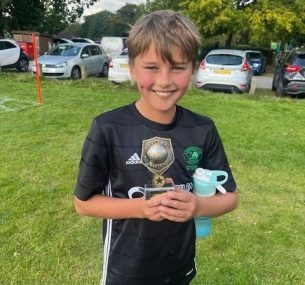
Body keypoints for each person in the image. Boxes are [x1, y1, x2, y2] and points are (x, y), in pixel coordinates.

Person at [74, 10, 238, 285]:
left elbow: (230, 198)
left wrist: (197, 205)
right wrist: (141, 209)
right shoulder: (108, 129)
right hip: (126, 270)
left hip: (179, 265)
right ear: (133, 67)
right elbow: (83, 203)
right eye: (152, 67)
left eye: (177, 67)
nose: (164, 81)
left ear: (193, 68)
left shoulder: (203, 129)